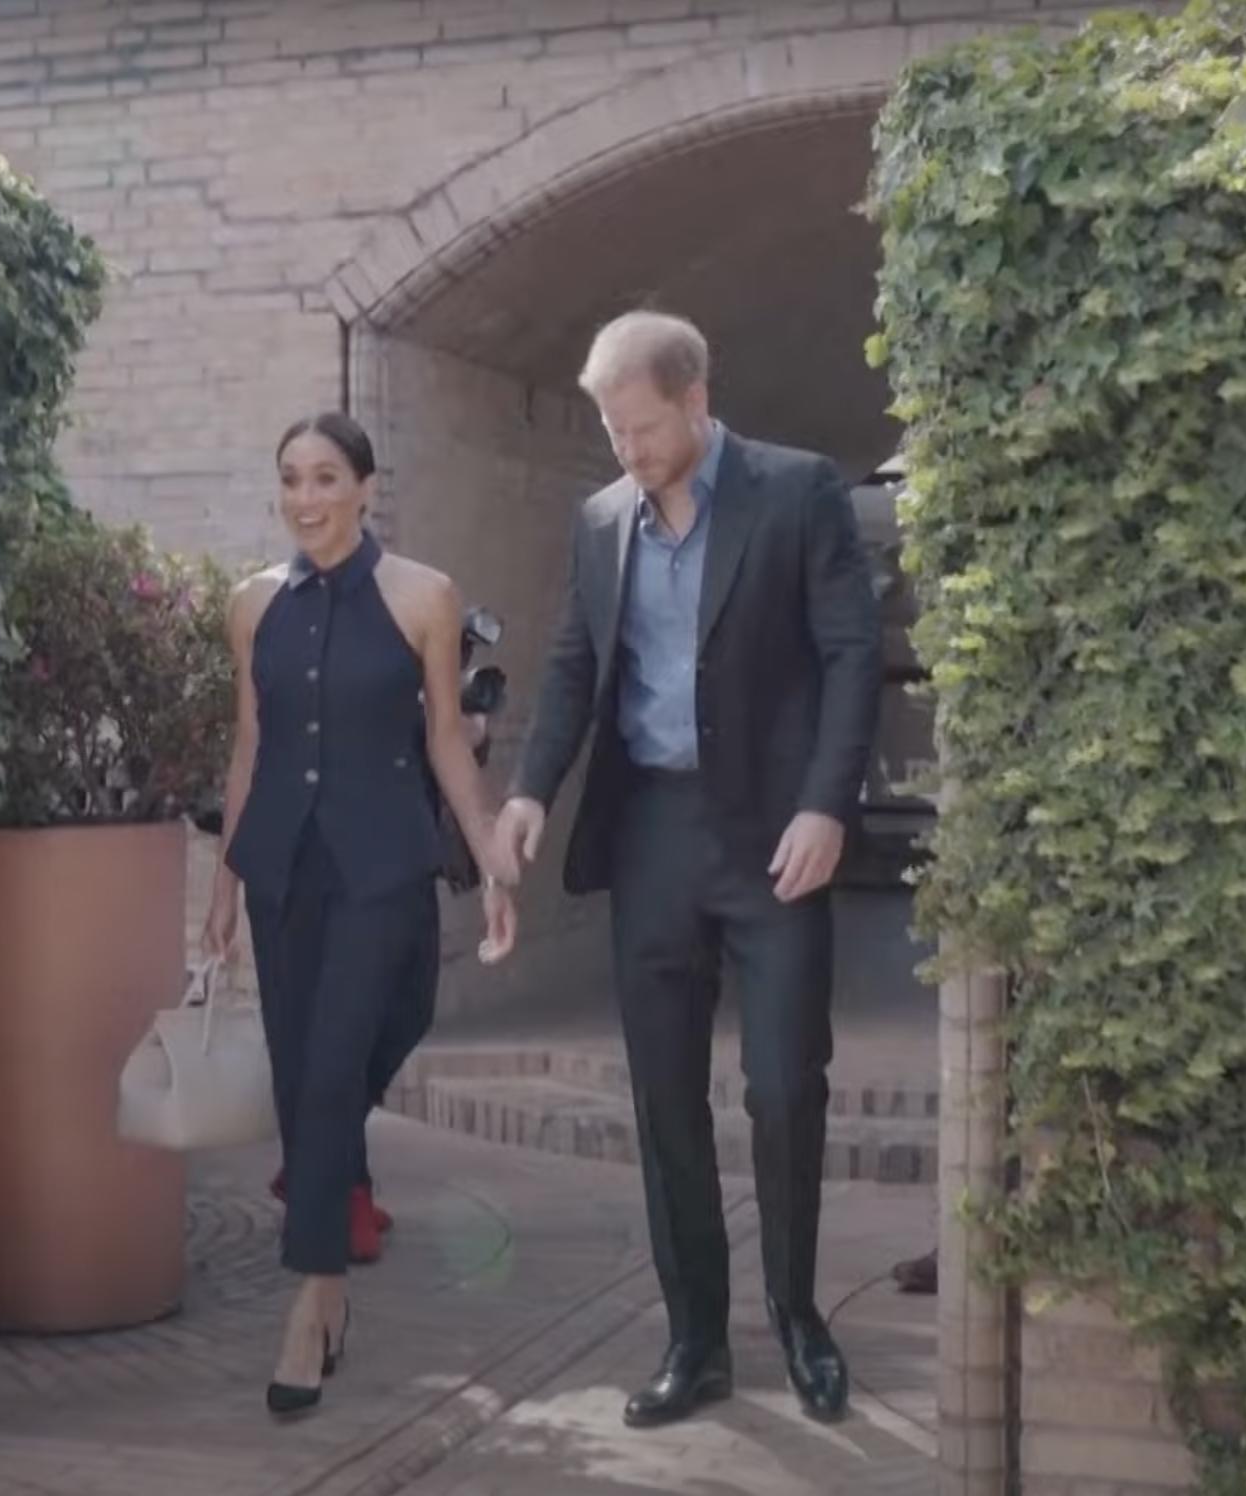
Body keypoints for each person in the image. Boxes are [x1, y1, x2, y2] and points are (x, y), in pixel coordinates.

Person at [493, 311, 881, 1428]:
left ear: (696, 398)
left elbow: (852, 653)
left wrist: (825, 804)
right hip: (652, 835)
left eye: (643, 426)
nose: (627, 450)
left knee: (781, 1084)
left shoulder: (796, 489)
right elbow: (574, 664)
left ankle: (800, 1317)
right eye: (612, 430)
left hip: (771, 836)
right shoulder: (599, 520)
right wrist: (528, 789)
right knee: (665, 1097)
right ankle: (695, 1339)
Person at [203, 412, 522, 1418]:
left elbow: (443, 738)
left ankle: (318, 1275)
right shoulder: (252, 603)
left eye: (326, 477)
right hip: (282, 871)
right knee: (309, 1073)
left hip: (384, 864)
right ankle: (319, 1296)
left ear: (365, 488)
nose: (306, 498)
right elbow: (249, 746)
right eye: (291, 478)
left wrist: (491, 862)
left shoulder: (423, 595)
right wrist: (220, 884)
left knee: (366, 1041)